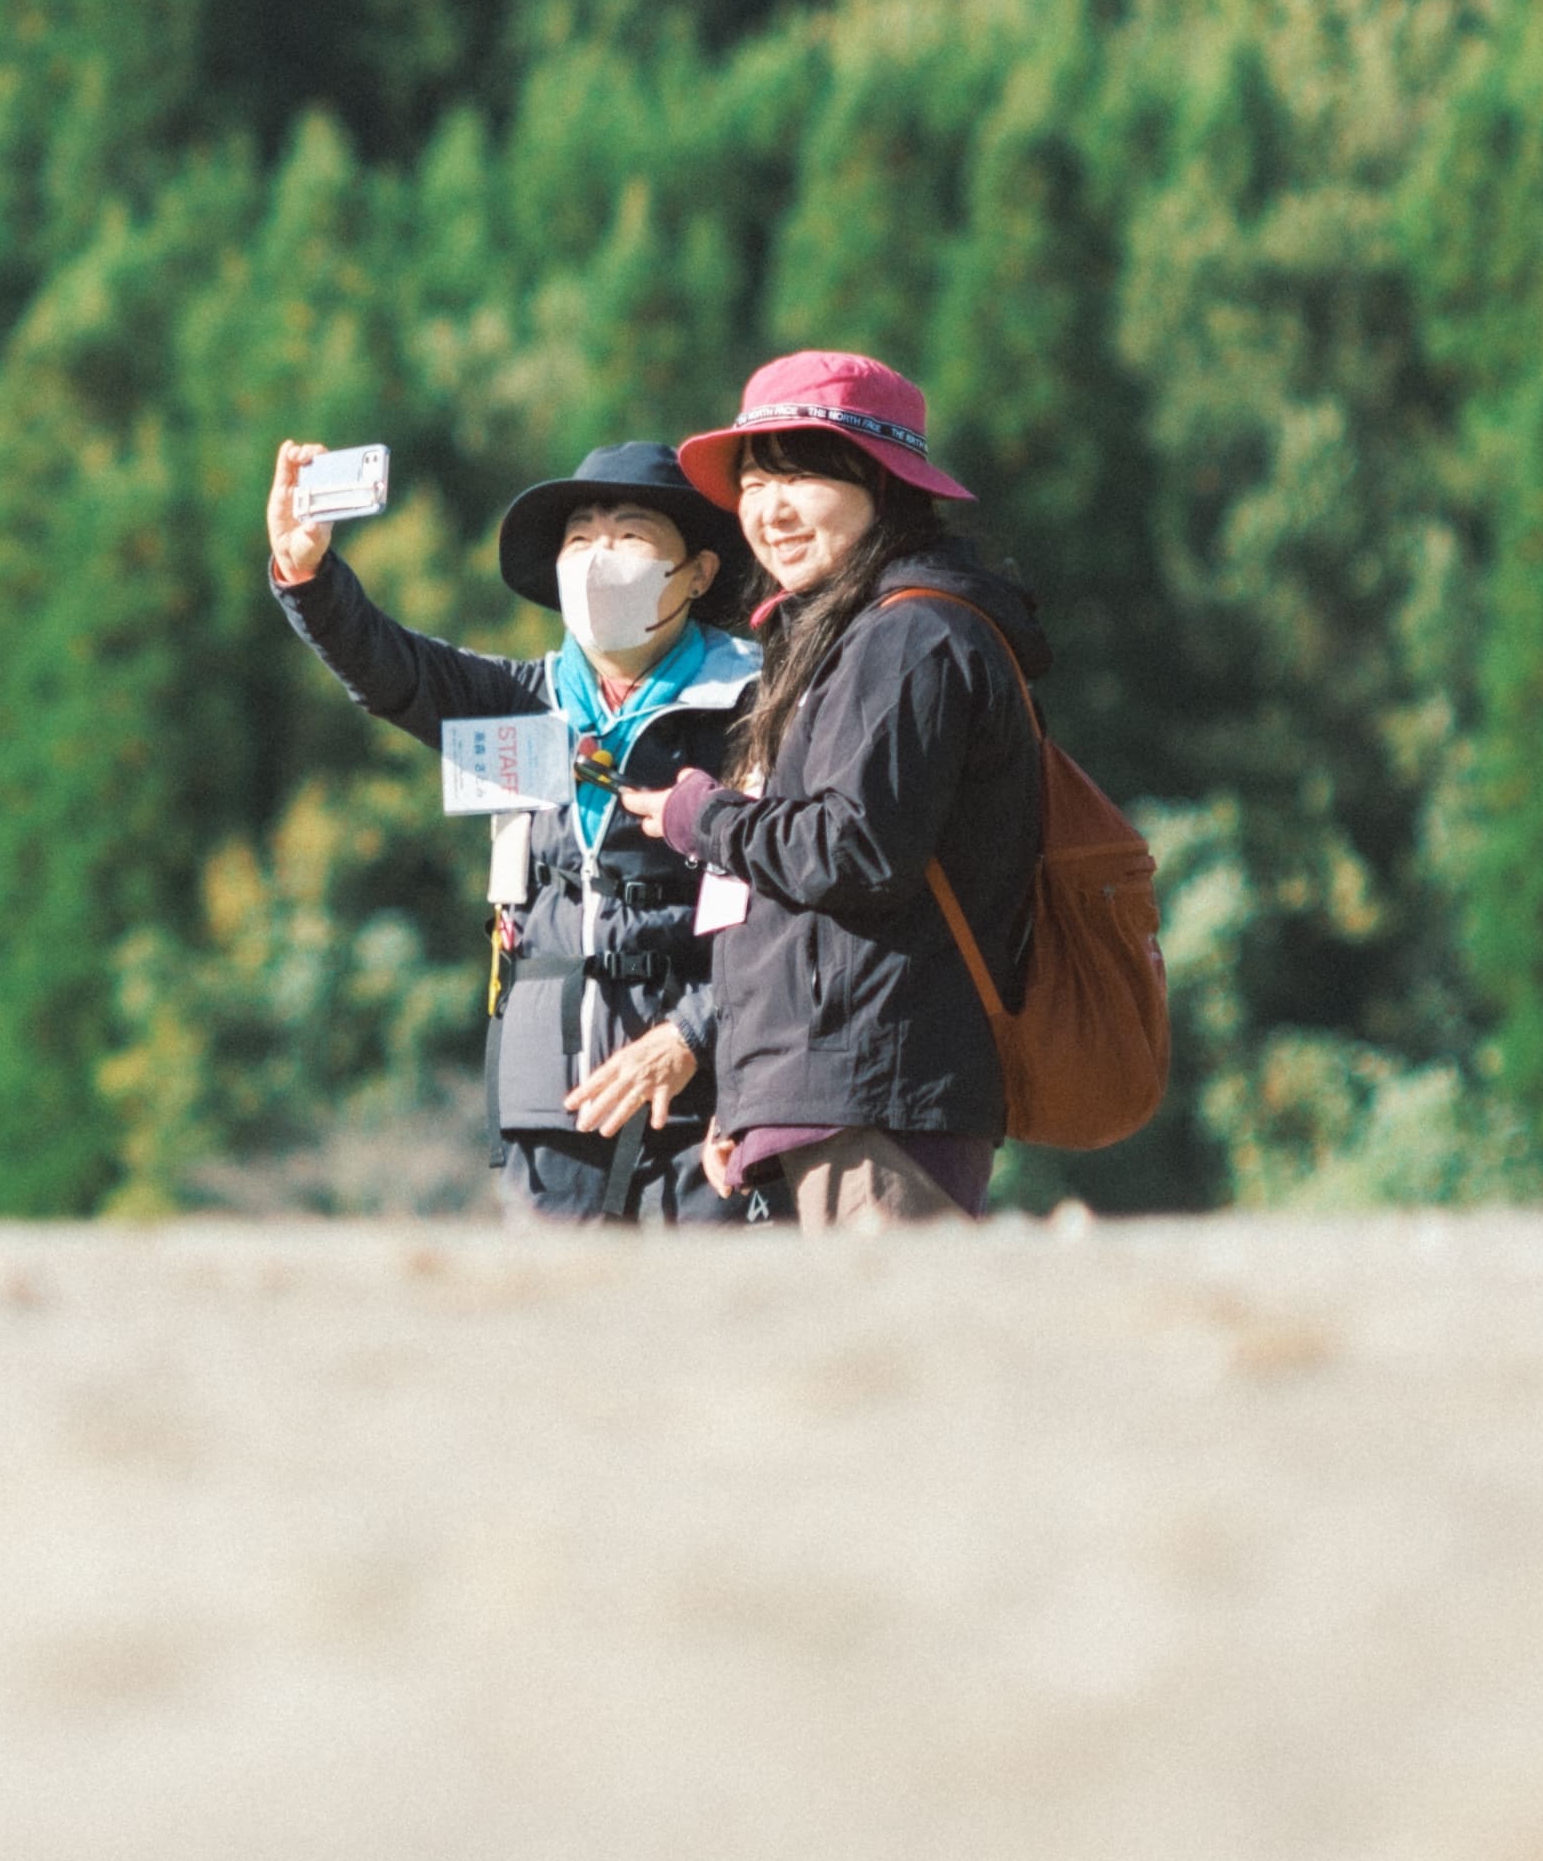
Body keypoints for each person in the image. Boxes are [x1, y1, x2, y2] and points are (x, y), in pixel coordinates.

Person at [266, 439, 764, 1224]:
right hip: (546, 1091)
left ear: (699, 572)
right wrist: (308, 578)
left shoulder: (756, 705)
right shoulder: (523, 702)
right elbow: (392, 670)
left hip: (702, 1096)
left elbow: (790, 902)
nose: (599, 559)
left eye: (630, 536)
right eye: (579, 539)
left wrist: (694, 1033)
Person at [609, 351, 1046, 1229]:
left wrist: (705, 816)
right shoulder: (845, 639)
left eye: (801, 474)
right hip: (834, 1085)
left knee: (899, 1357)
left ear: (885, 482)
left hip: (881, 1089)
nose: (769, 510)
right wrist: (756, 1088)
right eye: (755, 481)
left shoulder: (909, 636)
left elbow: (854, 849)